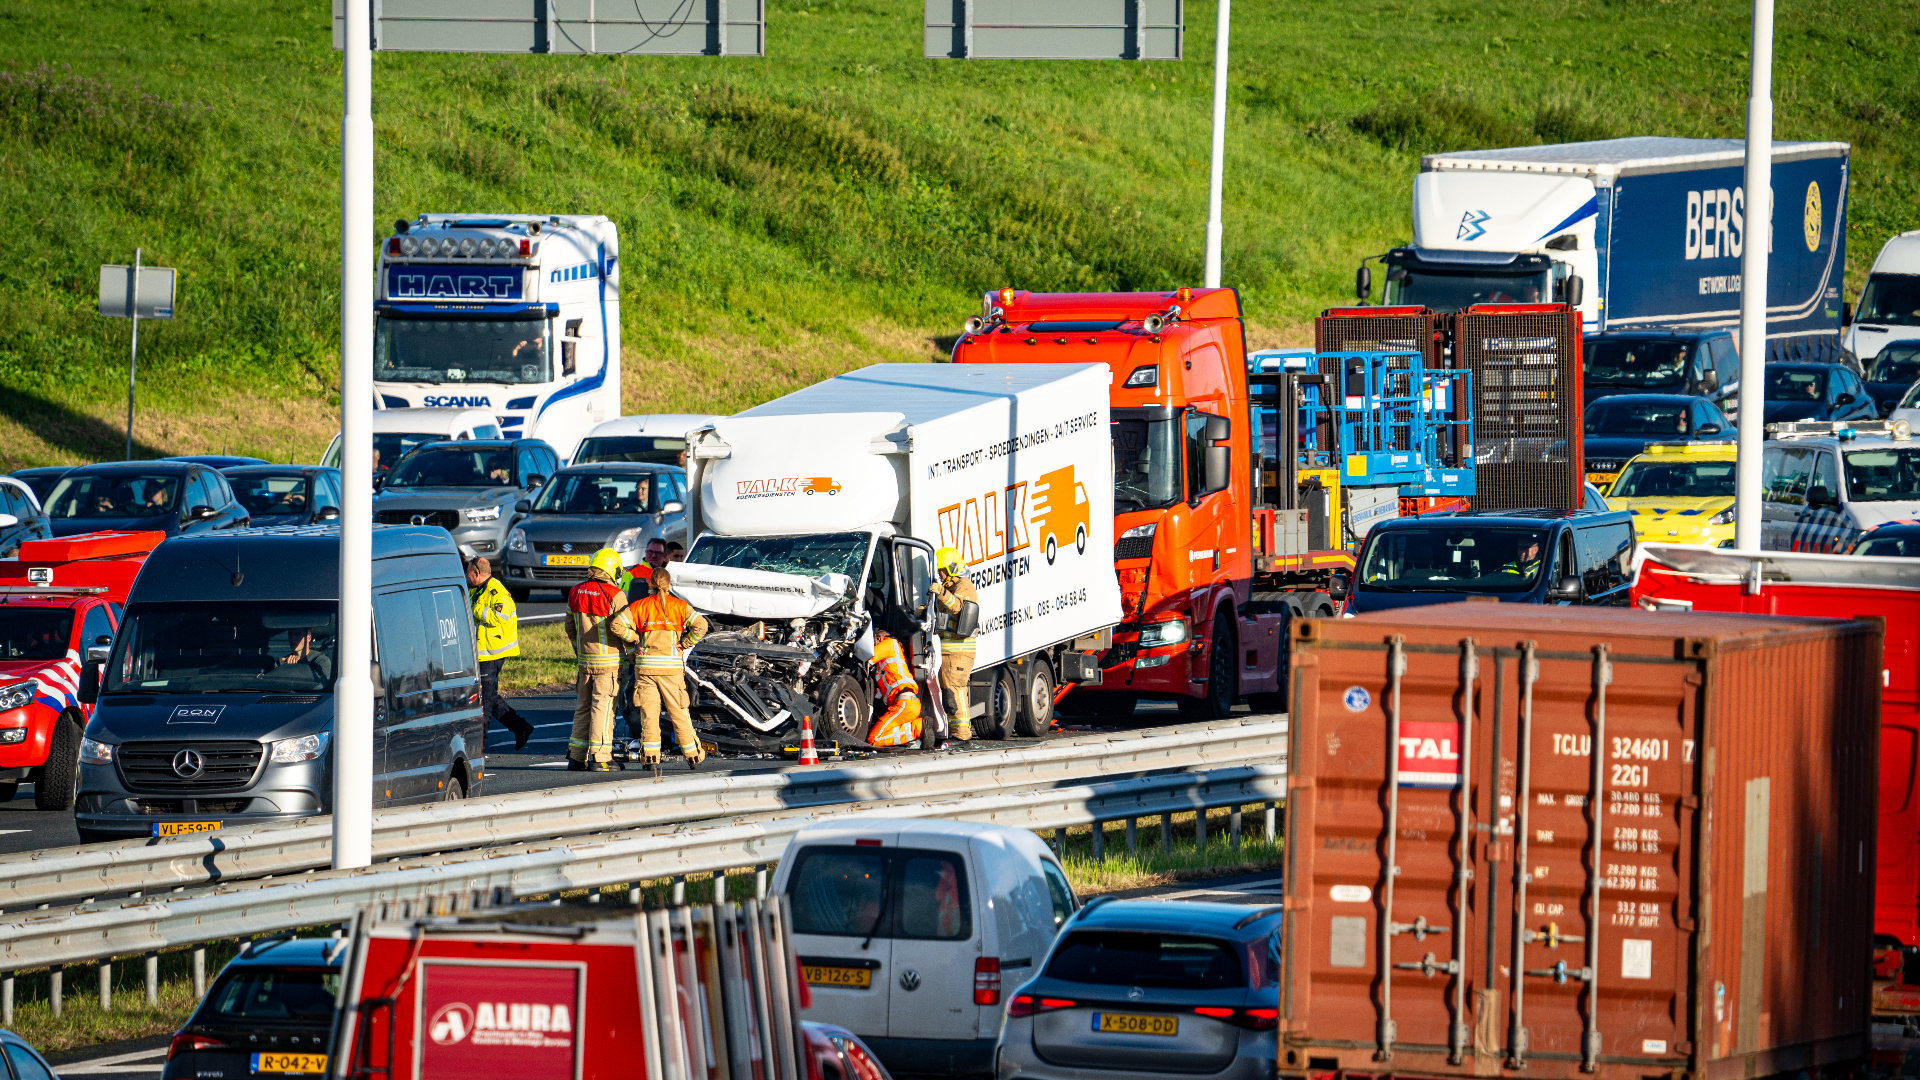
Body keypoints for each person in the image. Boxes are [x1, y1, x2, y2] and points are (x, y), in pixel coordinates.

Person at [627, 566, 709, 769]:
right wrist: (686, 643)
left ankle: (650, 758)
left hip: (646, 669)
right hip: (671, 671)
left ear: (650, 584)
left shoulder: (639, 606)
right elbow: (702, 626)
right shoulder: (679, 606)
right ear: (669, 584)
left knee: (649, 715)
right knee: (679, 712)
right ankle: (693, 757)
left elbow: (617, 625)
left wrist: (634, 645)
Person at [565, 548, 638, 771]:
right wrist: (635, 645)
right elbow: (623, 628)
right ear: (610, 568)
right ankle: (601, 757)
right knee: (603, 709)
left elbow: (570, 627)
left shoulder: (575, 591)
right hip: (609, 664)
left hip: (585, 662)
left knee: (583, 708)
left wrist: (580, 652)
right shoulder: (615, 595)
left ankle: (577, 757)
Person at [467, 557, 535, 752]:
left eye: (469, 572)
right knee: (488, 696)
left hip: (491, 654)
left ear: (477, 573)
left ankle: (478, 748)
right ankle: (521, 727)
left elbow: (500, 617)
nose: (467, 576)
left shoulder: (496, 592)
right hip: (482, 653)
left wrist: (475, 609)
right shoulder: (478, 589)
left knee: (484, 702)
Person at [928, 546, 978, 741]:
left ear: (951, 568)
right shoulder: (950, 587)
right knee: (949, 692)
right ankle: (955, 733)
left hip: (959, 653)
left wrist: (941, 592)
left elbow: (958, 608)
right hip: (948, 653)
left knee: (955, 692)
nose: (939, 575)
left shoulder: (963, 586)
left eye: (941, 570)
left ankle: (962, 735)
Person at [865, 629, 922, 747]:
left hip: (903, 704)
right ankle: (918, 728)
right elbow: (879, 693)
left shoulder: (889, 642)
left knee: (873, 739)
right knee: (885, 734)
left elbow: (867, 659)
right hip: (908, 704)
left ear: (879, 638)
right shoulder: (888, 667)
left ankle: (919, 727)